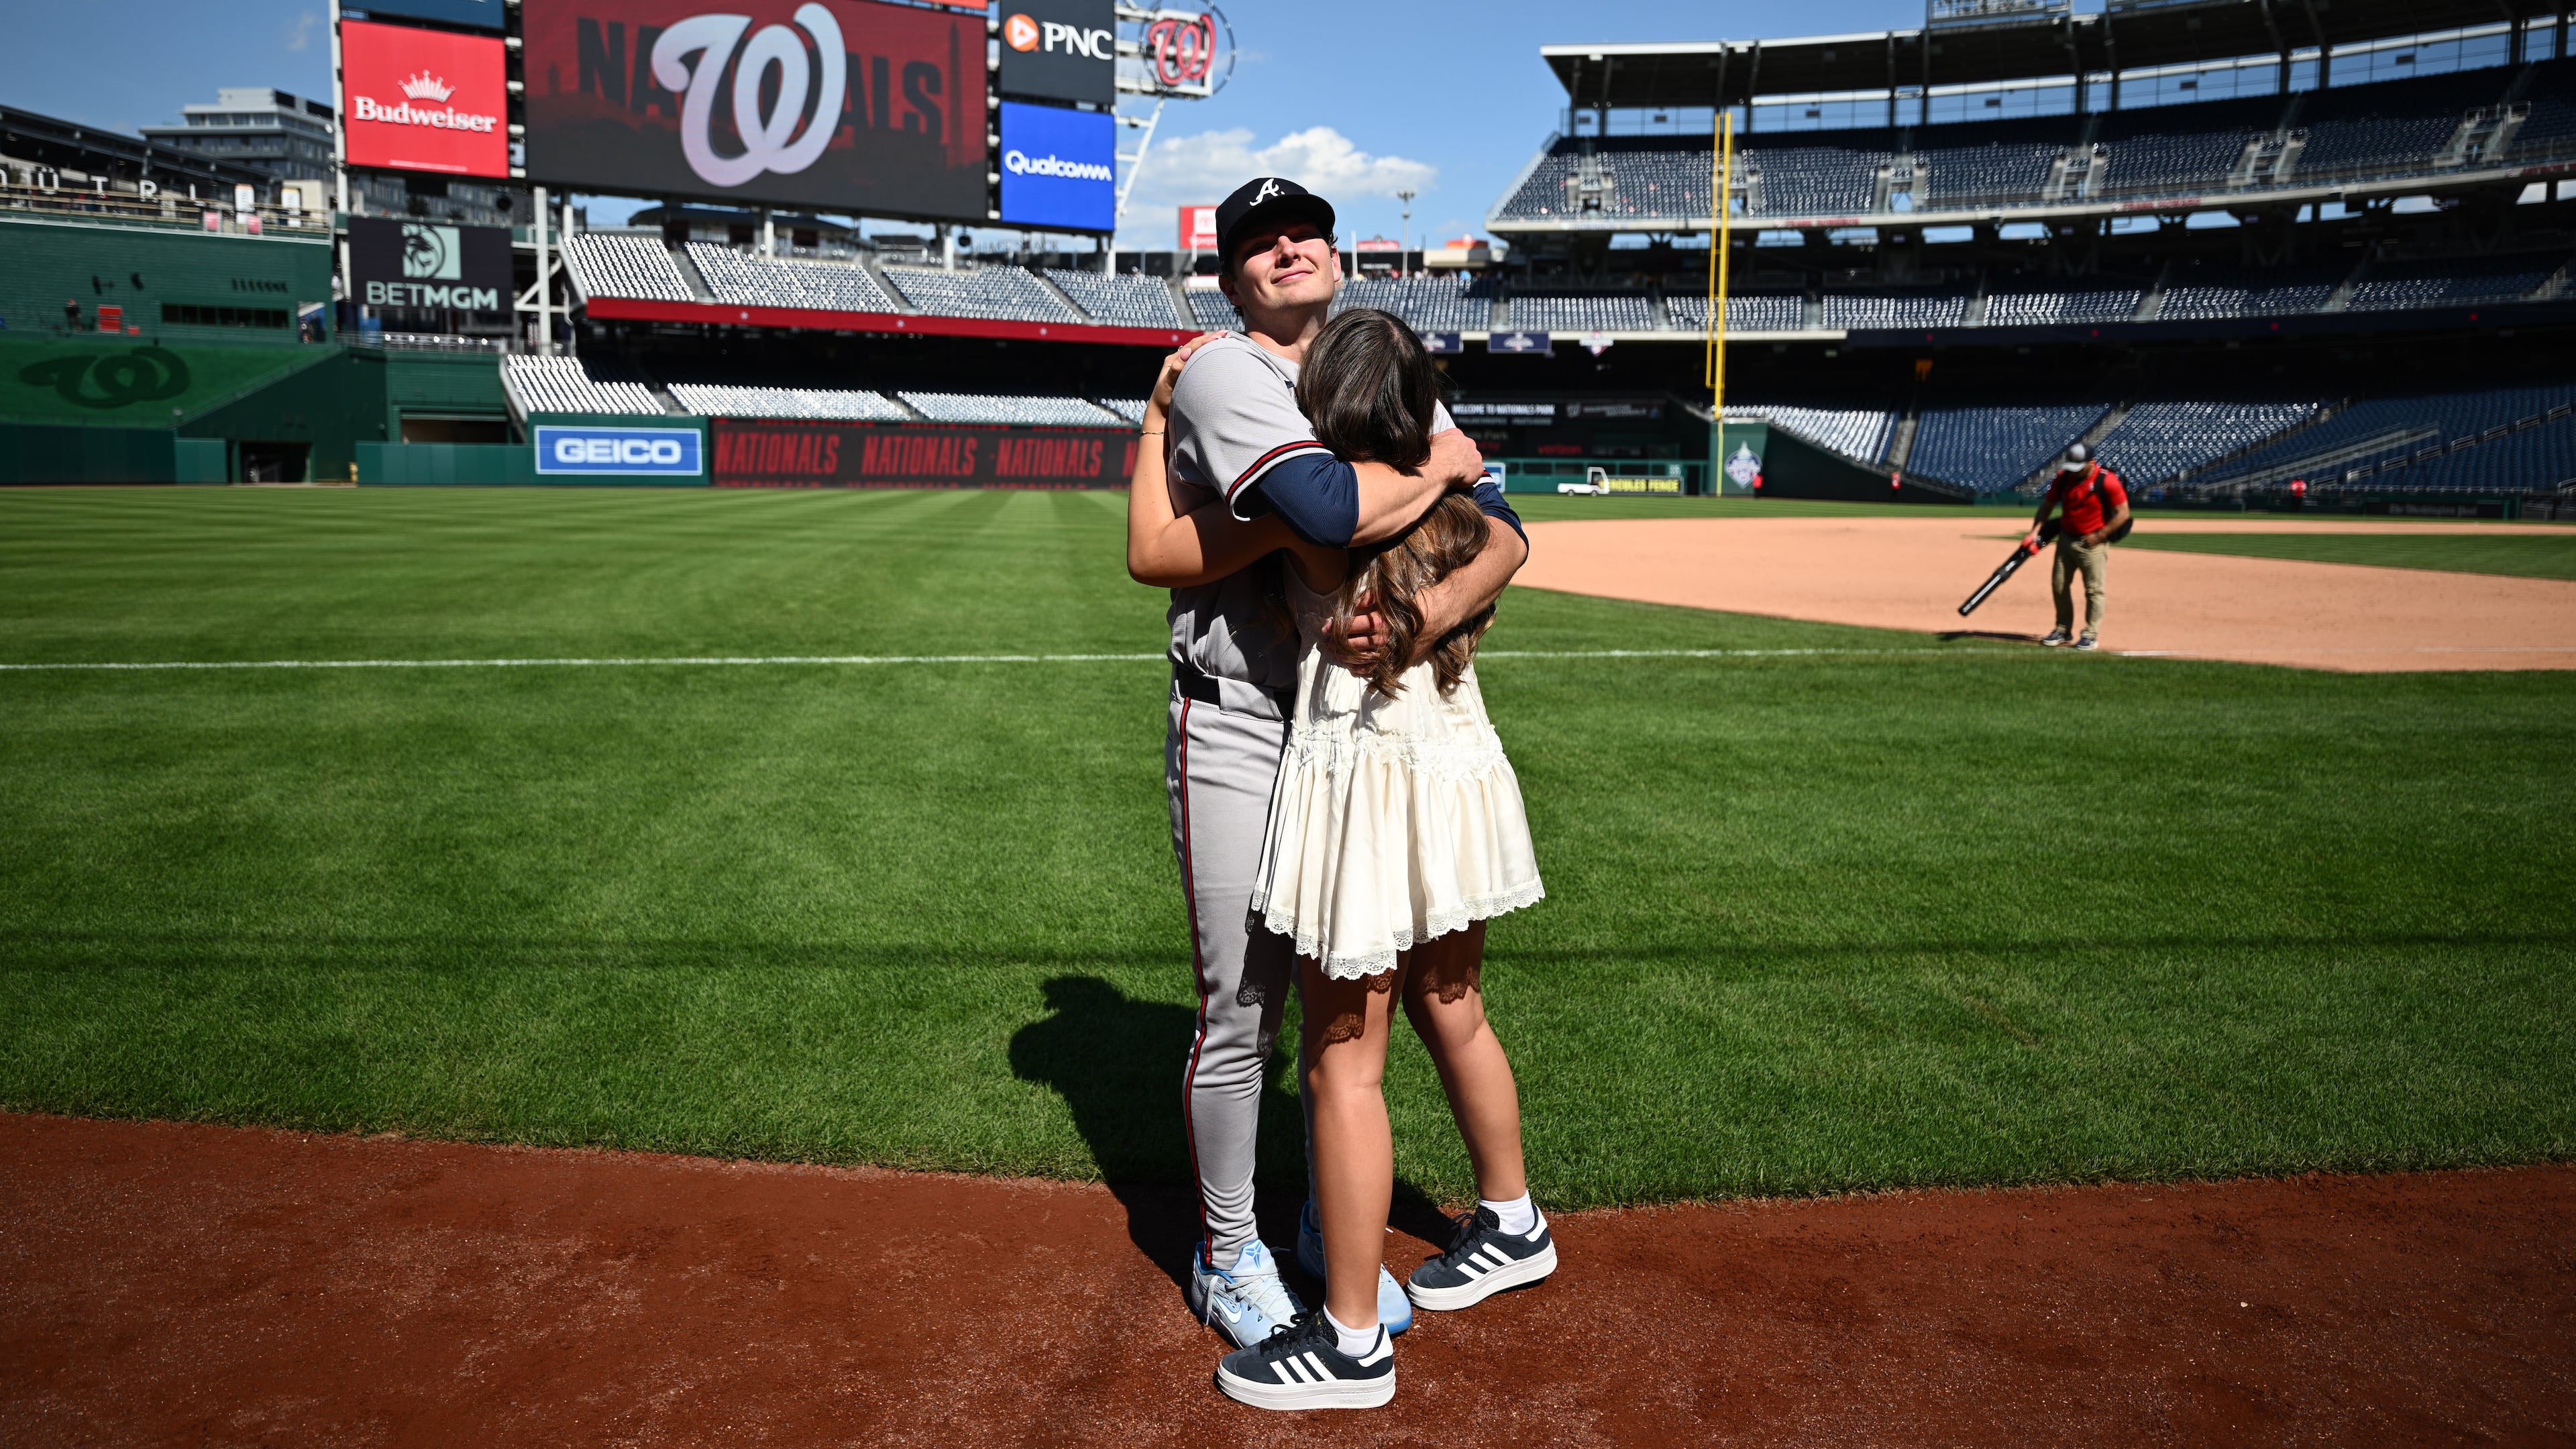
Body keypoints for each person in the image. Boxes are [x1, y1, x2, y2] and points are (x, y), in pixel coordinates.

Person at [1123, 175, 1528, 1353]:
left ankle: (1319, 1228)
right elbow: (1324, 503)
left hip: (1350, 727)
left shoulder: (1365, 355)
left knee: (1341, 1005)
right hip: (1249, 720)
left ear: (1338, 258)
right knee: (1243, 1007)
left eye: (1305, 232)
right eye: (1257, 242)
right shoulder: (1223, 371)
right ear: (1231, 275)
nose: (1285, 249)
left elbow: (1508, 528)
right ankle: (1228, 1247)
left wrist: (1425, 610)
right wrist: (1443, 468)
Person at [2025, 442, 2130, 651]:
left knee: (2094, 590)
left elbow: (2123, 513)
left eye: (2079, 467)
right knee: (2059, 586)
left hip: (2092, 545)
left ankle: (2090, 634)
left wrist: (2101, 535)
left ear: (2091, 463)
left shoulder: (2107, 481)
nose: (2074, 472)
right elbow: (2048, 505)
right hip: (2066, 539)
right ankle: (2063, 629)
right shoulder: (2064, 479)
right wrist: (2034, 532)